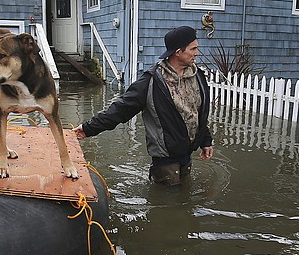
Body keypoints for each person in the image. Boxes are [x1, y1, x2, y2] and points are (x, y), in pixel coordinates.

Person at [72, 25, 214, 186]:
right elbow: (120, 109)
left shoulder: (198, 76)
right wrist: (88, 128)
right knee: (167, 203)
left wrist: (206, 141)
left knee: (184, 199)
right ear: (178, 52)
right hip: (165, 160)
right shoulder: (152, 81)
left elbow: (198, 113)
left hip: (187, 154)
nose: (197, 53)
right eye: (193, 49)